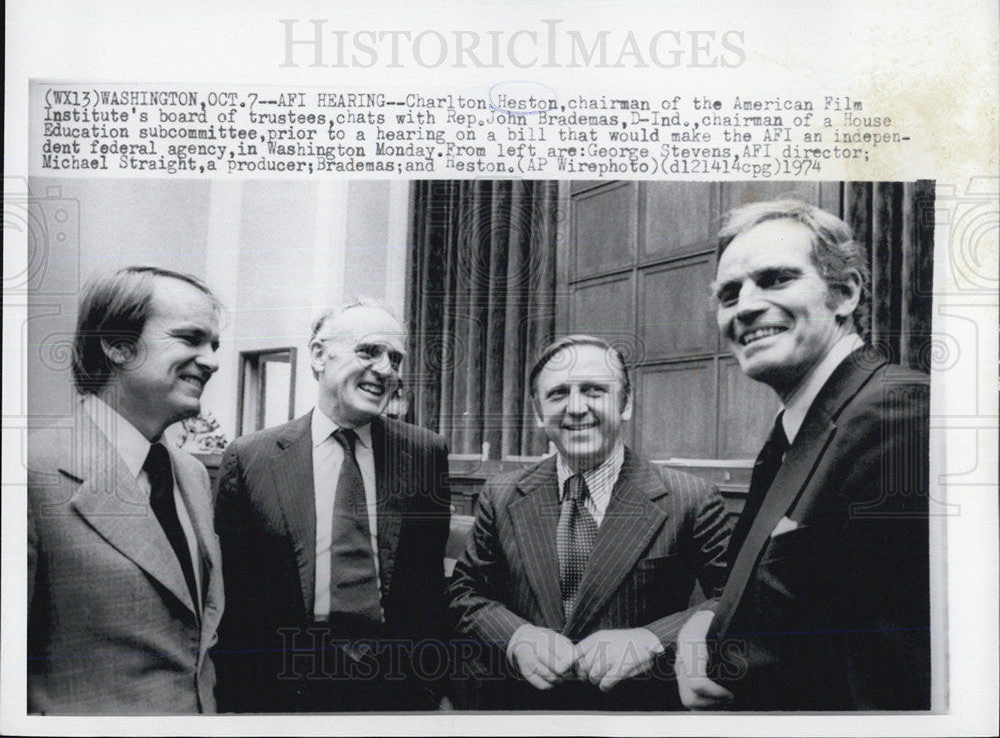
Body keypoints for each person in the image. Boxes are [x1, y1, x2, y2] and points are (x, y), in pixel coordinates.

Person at [675, 199, 931, 711]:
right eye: (729, 294)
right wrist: (701, 627)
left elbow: (897, 682)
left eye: (775, 279)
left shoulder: (901, 416)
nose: (744, 307)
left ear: (845, 292)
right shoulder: (794, 432)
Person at [448, 335, 731, 710]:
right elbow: (465, 594)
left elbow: (733, 601)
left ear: (625, 404)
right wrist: (516, 637)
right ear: (537, 413)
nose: (576, 407)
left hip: (635, 716)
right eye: (558, 394)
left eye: (594, 390)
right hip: (522, 716)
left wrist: (652, 639)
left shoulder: (691, 498)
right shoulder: (501, 495)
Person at [213, 297, 451, 712]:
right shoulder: (251, 458)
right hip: (283, 689)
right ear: (319, 355)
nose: (385, 369)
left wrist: (438, 692)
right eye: (368, 351)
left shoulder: (425, 454)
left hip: (394, 689)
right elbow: (234, 598)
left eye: (395, 359)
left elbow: (429, 588)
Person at [27, 266, 224, 714]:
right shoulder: (28, 474)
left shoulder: (192, 474)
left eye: (214, 345)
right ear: (118, 345)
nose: (212, 360)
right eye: (190, 338)